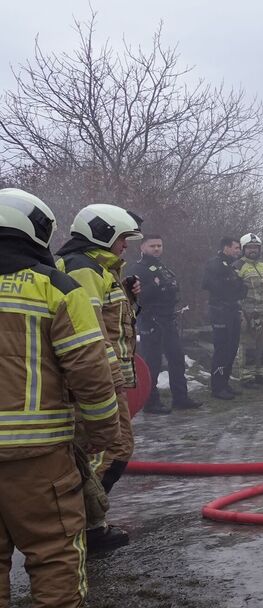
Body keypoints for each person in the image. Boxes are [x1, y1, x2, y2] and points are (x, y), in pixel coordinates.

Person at [0, 188, 120, 608]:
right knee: (54, 557)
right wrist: (103, 433)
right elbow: (90, 371)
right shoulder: (57, 287)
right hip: (38, 457)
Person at [56, 203, 143, 553]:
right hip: (97, 379)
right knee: (109, 448)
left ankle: (89, 524)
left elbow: (110, 321)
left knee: (107, 448)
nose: (125, 245)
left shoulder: (97, 269)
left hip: (102, 377)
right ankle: (86, 526)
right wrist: (108, 378)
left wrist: (128, 296)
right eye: (122, 238)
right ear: (103, 234)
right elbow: (88, 331)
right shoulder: (84, 270)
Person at [132, 234, 202, 413]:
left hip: (168, 319)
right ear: (142, 247)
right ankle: (150, 402)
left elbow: (172, 288)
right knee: (152, 362)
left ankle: (180, 398)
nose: (156, 249)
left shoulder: (163, 267)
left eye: (159, 246)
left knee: (177, 359)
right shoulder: (138, 269)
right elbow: (137, 297)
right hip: (150, 319)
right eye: (152, 246)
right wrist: (155, 286)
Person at [202, 236, 246, 400]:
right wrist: (232, 287)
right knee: (221, 350)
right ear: (226, 247)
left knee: (232, 349)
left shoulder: (232, 266)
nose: (238, 251)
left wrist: (234, 287)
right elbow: (210, 285)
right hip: (220, 312)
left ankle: (225, 383)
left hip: (233, 310)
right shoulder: (215, 264)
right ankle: (217, 387)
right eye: (236, 248)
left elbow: (241, 289)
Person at [235, 233, 263, 388]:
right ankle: (247, 376)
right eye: (250, 247)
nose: (253, 250)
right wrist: (239, 312)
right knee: (248, 345)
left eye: (256, 248)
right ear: (244, 249)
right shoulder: (238, 266)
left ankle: (260, 373)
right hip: (248, 312)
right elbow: (234, 291)